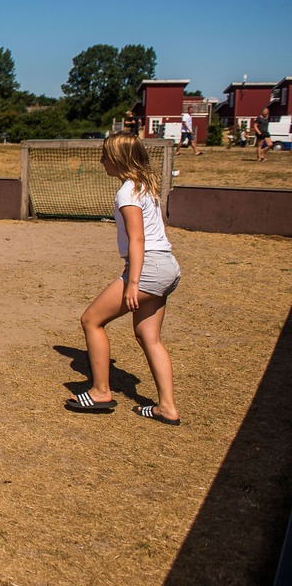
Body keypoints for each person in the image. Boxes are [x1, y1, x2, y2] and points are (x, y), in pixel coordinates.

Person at [65, 131, 181, 425]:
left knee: (91, 320)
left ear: (118, 159)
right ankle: (166, 407)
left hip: (147, 268)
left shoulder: (127, 192)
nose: (101, 161)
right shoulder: (146, 187)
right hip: (167, 266)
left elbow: (138, 239)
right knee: (148, 336)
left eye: (105, 155)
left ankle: (101, 391)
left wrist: (132, 282)